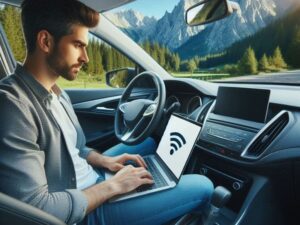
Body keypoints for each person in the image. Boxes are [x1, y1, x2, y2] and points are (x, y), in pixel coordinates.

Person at [0, 0, 214, 225]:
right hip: (84, 212)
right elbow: (36, 209)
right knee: (203, 187)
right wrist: (113, 186)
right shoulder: (13, 107)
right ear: (45, 41)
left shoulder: (57, 92)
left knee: (148, 145)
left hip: (91, 181)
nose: (86, 58)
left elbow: (77, 149)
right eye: (77, 45)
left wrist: (105, 161)